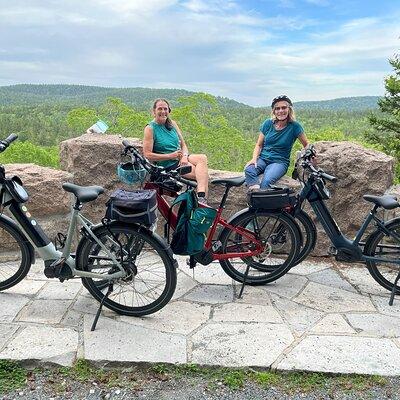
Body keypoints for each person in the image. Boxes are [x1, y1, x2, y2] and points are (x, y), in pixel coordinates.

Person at [143, 98, 209, 204]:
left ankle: (201, 198)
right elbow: (147, 154)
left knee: (203, 158)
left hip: (181, 158)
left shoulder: (172, 124)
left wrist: (184, 156)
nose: (163, 111)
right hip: (169, 165)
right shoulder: (150, 128)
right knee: (204, 175)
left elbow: (183, 144)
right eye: (160, 109)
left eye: (165, 109)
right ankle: (202, 202)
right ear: (153, 111)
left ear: (169, 111)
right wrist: (170, 156)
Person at [245, 95, 310, 191]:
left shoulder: (295, 127)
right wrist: (254, 159)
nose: (280, 111)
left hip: (279, 162)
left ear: (289, 109)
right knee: (249, 170)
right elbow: (259, 145)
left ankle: (261, 202)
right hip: (263, 159)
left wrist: (311, 155)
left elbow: (306, 144)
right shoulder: (268, 124)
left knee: (266, 181)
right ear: (274, 111)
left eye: (284, 107)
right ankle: (256, 196)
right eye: (277, 108)